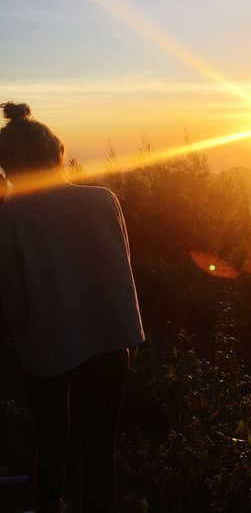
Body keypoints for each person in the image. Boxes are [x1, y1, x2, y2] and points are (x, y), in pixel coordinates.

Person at [0, 102, 144, 513]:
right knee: (101, 449)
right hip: (110, 337)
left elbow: (13, 295)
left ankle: (50, 505)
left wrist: (21, 333)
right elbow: (122, 265)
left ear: (10, 165)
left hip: (48, 343)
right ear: (55, 154)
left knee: (52, 440)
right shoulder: (103, 199)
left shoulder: (11, 217)